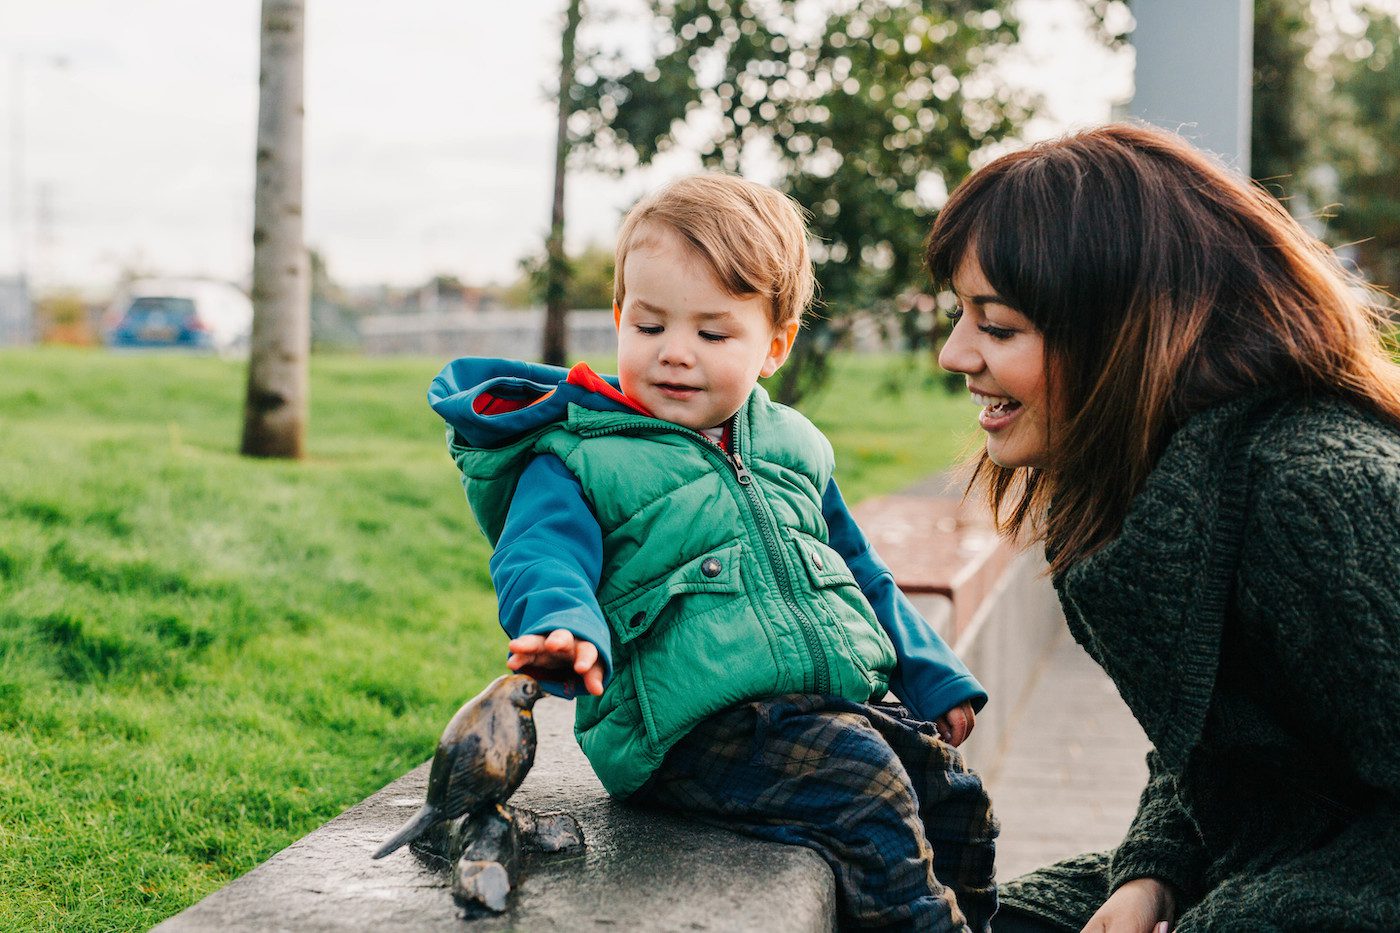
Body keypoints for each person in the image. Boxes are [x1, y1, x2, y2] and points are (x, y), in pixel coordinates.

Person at [428, 174, 999, 931]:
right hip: (692, 730)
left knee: (957, 798)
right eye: (651, 324)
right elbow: (543, 557)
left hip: (823, 704)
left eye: (711, 332)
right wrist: (565, 628)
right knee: (870, 795)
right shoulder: (578, 454)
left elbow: (860, 569)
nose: (675, 354)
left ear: (776, 344)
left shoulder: (794, 444)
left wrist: (929, 671)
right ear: (620, 317)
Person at [928, 122, 1400, 932]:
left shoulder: (1320, 497)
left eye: (997, 325)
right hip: (1261, 863)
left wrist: (1236, 918)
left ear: (1119, 330)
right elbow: (1214, 749)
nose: (953, 352)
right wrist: (1152, 872)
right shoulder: (1151, 486)